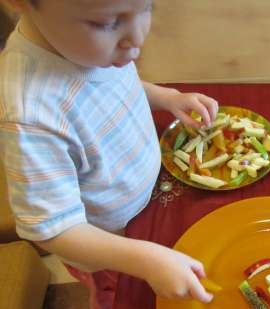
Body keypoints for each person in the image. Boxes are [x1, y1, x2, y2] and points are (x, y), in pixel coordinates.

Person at [0, 0, 218, 308]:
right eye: (106, 23)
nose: (139, 38)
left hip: (146, 201)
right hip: (110, 249)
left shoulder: (89, 51)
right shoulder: (30, 114)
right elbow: (52, 228)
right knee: (118, 296)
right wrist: (144, 261)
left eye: (147, 7)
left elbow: (111, 84)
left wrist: (166, 97)